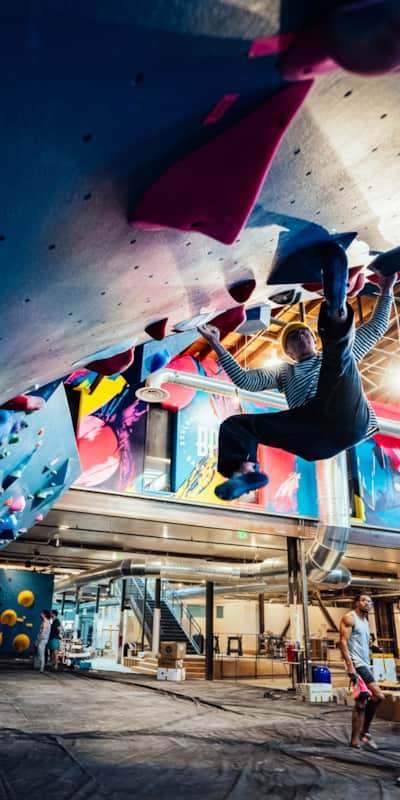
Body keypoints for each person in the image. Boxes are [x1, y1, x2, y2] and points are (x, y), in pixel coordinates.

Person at [198, 242, 396, 500]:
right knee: (236, 425)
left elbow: (377, 326)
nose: (301, 336)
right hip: (311, 431)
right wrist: (215, 343)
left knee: (338, 357)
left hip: (345, 414)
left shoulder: (331, 358)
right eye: (294, 338)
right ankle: (243, 472)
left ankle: (335, 308)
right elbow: (244, 380)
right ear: (288, 353)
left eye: (305, 333)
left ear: (314, 340)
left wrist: (387, 289)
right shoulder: (284, 373)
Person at [339, 593, 384, 749]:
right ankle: (365, 732)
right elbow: (343, 642)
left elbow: (360, 641)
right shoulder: (349, 618)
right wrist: (350, 666)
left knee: (361, 703)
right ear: (357, 602)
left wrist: (372, 646)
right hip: (357, 665)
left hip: (365, 663)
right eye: (364, 600)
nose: (368, 603)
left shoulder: (366, 621)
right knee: (378, 696)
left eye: (370, 601)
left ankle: (354, 741)